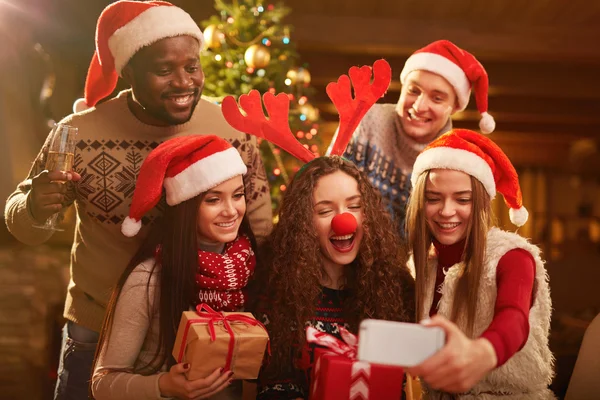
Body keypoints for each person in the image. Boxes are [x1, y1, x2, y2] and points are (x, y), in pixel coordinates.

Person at [3, 2, 271, 399]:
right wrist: (34, 207)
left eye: (192, 67)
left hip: (197, 330)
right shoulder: (77, 132)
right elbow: (25, 226)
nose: (184, 82)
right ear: (128, 70)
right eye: (164, 70)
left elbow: (260, 232)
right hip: (96, 329)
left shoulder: (232, 130)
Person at [221, 60, 415, 399]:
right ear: (302, 222)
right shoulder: (273, 284)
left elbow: (401, 382)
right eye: (324, 210)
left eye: (354, 206)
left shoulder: (396, 287)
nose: (345, 220)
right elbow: (273, 385)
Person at [92, 135, 256, 400]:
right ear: (186, 208)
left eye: (238, 196)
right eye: (213, 200)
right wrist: (164, 386)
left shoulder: (251, 265)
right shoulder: (149, 278)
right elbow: (102, 384)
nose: (231, 211)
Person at [404, 129, 554, 398]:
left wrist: (482, 353)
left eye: (463, 199)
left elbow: (515, 318)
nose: (447, 211)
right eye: (433, 198)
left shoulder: (512, 256)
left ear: (482, 204)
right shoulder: (419, 267)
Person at [331, 40, 495, 235]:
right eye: (413, 90)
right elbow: (330, 188)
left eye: (437, 98)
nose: (419, 106)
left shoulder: (455, 158)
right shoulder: (366, 120)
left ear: (454, 108)